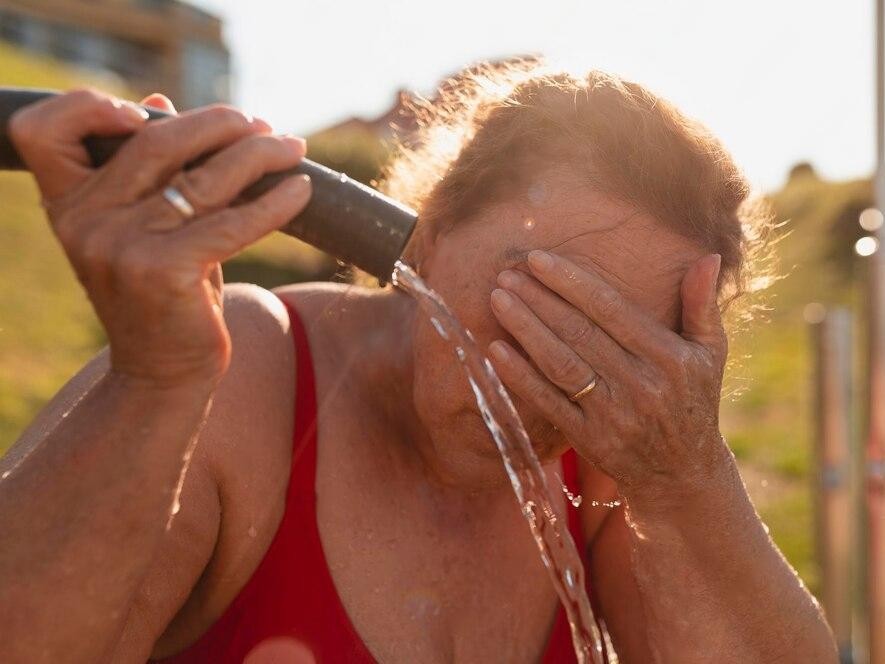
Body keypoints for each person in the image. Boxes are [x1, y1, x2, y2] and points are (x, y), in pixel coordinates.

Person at [0, 61, 837, 663]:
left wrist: (691, 480)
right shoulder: (244, 373)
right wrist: (155, 382)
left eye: (604, 345)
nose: (534, 376)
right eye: (523, 299)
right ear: (430, 237)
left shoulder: (615, 466)